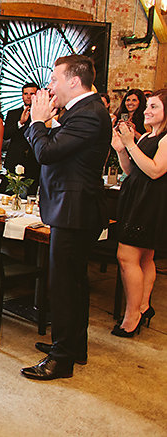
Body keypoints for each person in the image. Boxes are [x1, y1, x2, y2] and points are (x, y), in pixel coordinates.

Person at [20, 55, 111, 381]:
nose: (50, 86)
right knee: (73, 283)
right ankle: (74, 346)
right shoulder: (78, 113)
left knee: (63, 285)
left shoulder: (89, 114)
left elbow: (46, 153)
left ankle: (62, 359)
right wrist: (48, 122)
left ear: (74, 81)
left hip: (76, 212)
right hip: (72, 209)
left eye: (55, 79)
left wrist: (37, 122)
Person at [110, 89, 167, 337]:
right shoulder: (147, 137)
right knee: (144, 258)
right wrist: (122, 149)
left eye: (153, 107)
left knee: (126, 256)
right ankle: (143, 306)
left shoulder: (166, 138)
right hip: (137, 197)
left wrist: (131, 143)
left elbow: (155, 171)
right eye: (147, 107)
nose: (147, 111)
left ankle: (132, 316)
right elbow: (132, 171)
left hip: (151, 202)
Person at [2, 82, 40, 194]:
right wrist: (20, 123)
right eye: (25, 93)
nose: (28, 96)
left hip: (34, 163)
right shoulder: (13, 113)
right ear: (22, 95)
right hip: (14, 160)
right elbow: (5, 135)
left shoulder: (42, 114)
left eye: (32, 93)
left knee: (30, 197)